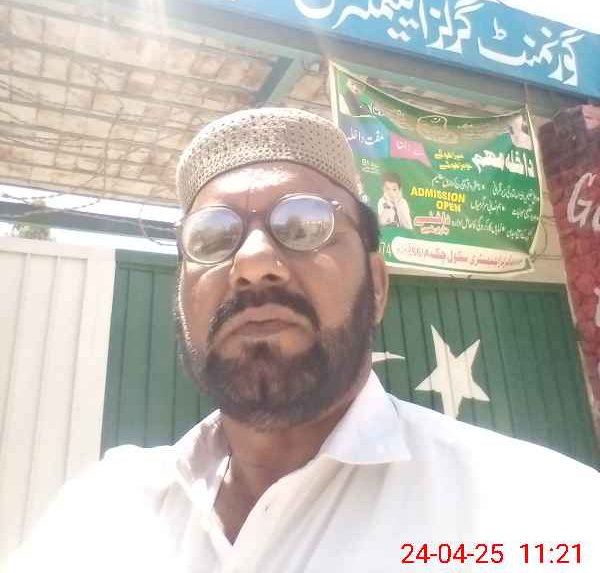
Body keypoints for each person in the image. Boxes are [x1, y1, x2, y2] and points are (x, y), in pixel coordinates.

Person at [8, 107, 599, 573]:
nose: (252, 263)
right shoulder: (99, 512)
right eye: (212, 238)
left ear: (378, 286)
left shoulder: (543, 517)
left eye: (306, 225)